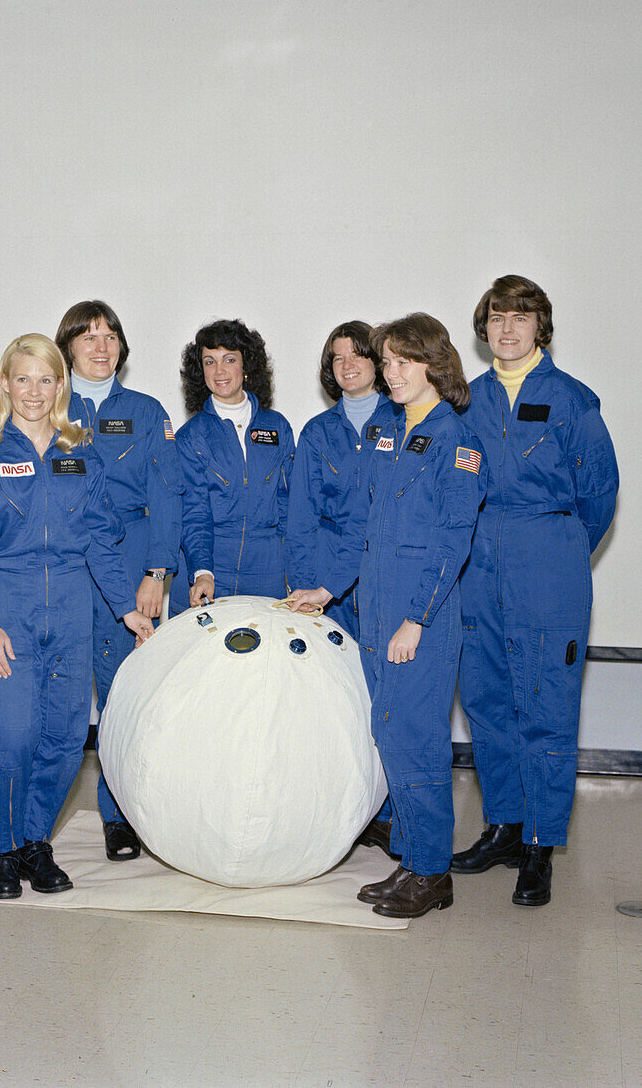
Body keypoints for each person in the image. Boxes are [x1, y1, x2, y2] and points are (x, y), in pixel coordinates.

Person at [288, 313, 486, 918]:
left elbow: (454, 541)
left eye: (403, 362)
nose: (391, 374)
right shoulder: (389, 433)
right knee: (389, 735)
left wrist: (417, 619)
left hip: (415, 619)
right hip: (372, 608)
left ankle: (431, 871)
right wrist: (328, 588)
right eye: (389, 362)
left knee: (416, 740)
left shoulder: (458, 439)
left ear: (435, 365)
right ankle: (412, 857)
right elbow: (362, 529)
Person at [0, 334, 153, 899]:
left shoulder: (80, 455)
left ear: (61, 386)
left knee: (64, 739)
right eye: (23, 379)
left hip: (71, 610)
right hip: (7, 612)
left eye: (46, 379)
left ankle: (36, 843)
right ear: (5, 385)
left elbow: (99, 542)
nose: (34, 391)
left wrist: (125, 609)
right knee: (11, 735)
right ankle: (3, 849)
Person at [452, 275, 618, 907]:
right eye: (497, 318)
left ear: (540, 327)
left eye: (521, 318)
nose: (508, 329)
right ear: (485, 326)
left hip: (547, 569)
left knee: (546, 709)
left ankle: (540, 847)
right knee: (490, 703)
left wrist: (558, 551)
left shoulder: (574, 401)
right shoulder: (469, 400)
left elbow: (598, 497)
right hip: (480, 571)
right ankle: (504, 827)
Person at [58, 300, 182, 861]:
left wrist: (157, 573)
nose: (101, 347)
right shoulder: (47, 407)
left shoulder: (147, 411)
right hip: (62, 565)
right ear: (68, 347)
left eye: (110, 336)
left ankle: (120, 817)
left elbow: (166, 499)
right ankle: (25, 823)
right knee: (54, 700)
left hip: (132, 558)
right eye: (88, 337)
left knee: (123, 695)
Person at [284, 321, 399, 859]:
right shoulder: (315, 432)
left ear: (379, 362)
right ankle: (344, 812)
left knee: (387, 699)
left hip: (382, 576)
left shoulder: (403, 419)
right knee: (336, 699)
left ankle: (393, 814)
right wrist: (306, 586)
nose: (347, 366)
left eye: (358, 355)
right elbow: (300, 515)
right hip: (326, 580)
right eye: (336, 359)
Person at [170, 319, 294, 613]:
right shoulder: (191, 436)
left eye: (229, 360)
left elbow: (291, 504)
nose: (219, 371)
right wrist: (202, 571)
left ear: (247, 366)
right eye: (209, 361)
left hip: (269, 568)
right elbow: (194, 510)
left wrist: (296, 572)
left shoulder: (278, 428)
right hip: (213, 568)